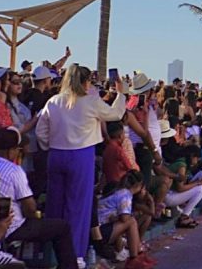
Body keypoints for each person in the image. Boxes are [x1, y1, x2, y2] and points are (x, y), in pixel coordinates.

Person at [36, 64, 127, 265]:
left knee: (55, 205)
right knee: (77, 207)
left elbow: (40, 132)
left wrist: (50, 146)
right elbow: (115, 114)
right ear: (86, 82)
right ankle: (75, 255)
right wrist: (120, 94)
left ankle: (50, 253)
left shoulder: (53, 101)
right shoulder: (90, 102)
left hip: (56, 155)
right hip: (81, 157)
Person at [0, 126, 78, 269]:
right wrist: (36, 217)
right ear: (11, 150)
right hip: (12, 227)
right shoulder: (14, 170)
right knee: (62, 227)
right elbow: (30, 207)